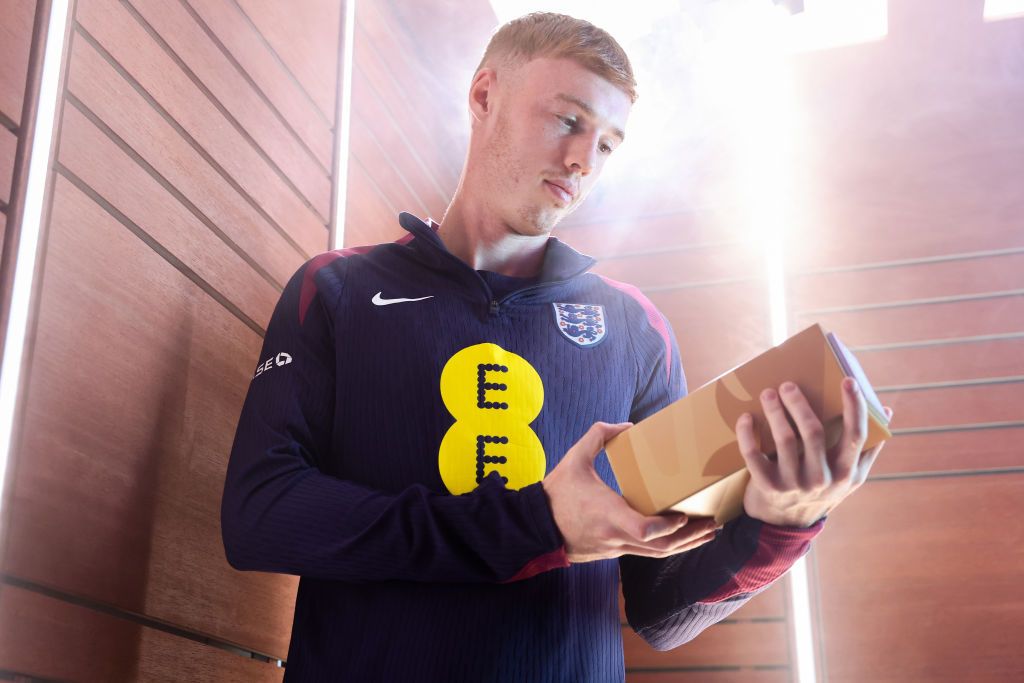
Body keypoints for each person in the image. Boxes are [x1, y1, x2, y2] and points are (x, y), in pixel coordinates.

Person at [221, 12, 891, 682]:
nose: (582, 160)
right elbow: (260, 516)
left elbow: (661, 606)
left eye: (606, 145)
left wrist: (779, 524)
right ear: (485, 96)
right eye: (568, 120)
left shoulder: (636, 328)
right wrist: (538, 523)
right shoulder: (335, 289)